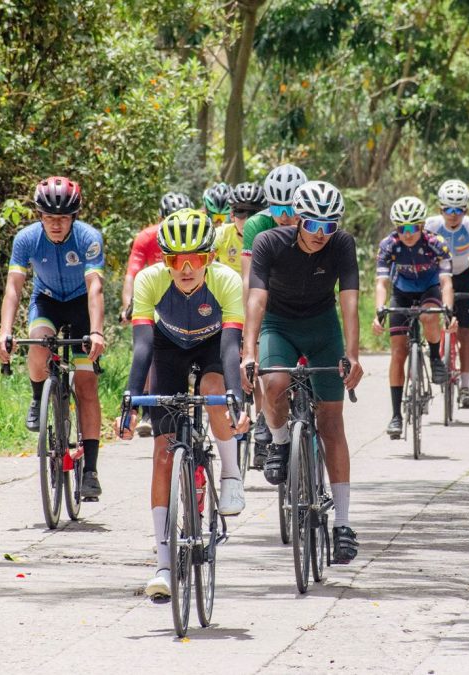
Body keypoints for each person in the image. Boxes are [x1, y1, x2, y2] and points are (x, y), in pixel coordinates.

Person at [117, 208, 250, 600]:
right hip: (168, 348)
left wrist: (235, 398)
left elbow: (230, 348)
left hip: (213, 347)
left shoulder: (226, 281)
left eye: (194, 258)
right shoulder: (149, 280)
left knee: (213, 387)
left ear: (209, 257)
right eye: (175, 259)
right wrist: (129, 401)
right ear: (164, 259)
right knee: (162, 452)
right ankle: (162, 566)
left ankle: (230, 474)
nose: (185, 268)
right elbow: (141, 349)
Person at [242, 180, 364, 564]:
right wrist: (249, 353)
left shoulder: (342, 245)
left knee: (332, 423)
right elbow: (256, 299)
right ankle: (278, 441)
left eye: (330, 227)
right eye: (314, 225)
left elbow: (349, 301)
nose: (321, 235)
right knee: (275, 382)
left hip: (322, 325)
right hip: (279, 323)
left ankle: (342, 523)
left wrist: (352, 354)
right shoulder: (270, 243)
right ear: (298, 219)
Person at [0, 176, 107, 499]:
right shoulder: (26, 239)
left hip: (80, 305)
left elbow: (95, 288)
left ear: (74, 217)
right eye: (49, 218)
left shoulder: (88, 237)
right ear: (39, 215)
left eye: (63, 218)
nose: (56, 225)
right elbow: (14, 288)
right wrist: (5, 332)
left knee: (86, 384)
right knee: (38, 343)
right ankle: (37, 396)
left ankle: (91, 470)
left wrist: (97, 332)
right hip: (45, 300)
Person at [240, 163, 308, 467]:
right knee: (266, 371)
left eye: (290, 206)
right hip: (269, 300)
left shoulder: (314, 221)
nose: (284, 214)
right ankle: (266, 417)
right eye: (277, 205)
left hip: (307, 299)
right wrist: (247, 331)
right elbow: (249, 279)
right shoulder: (257, 225)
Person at [372, 196, 457, 439]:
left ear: (422, 226)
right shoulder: (389, 244)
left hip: (430, 289)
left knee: (430, 316)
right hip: (402, 292)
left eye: (412, 228)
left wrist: (448, 310)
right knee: (398, 353)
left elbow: (446, 282)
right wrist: (380, 311)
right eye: (402, 228)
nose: (407, 234)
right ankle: (396, 416)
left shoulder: (436, 243)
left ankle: (435, 357)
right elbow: (382, 282)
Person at [120, 191, 196, 436]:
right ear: (160, 219)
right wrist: (127, 307)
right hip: (154, 296)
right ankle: (147, 409)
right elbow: (132, 275)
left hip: (185, 298)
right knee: (148, 346)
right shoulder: (145, 237)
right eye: (169, 220)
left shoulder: (198, 238)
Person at [423, 179, 469, 409]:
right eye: (448, 209)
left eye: (459, 209)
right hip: (436, 276)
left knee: (466, 332)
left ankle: (466, 386)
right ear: (441, 209)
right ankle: (423, 374)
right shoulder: (431, 224)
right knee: (428, 321)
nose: (453, 214)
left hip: (463, 274)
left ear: (465, 210)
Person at [215, 182, 267, 275]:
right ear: (232, 215)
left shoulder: (271, 237)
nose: (248, 220)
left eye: (254, 213)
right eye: (240, 211)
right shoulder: (223, 234)